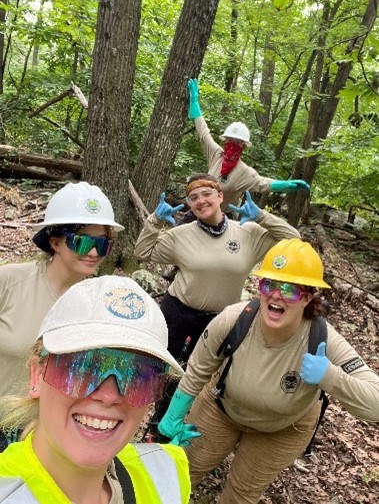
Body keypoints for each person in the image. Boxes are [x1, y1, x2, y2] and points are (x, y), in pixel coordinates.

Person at [158, 238, 379, 503]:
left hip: (283, 428)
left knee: (242, 494)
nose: (276, 294)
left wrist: (330, 377)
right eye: (269, 284)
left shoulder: (322, 339)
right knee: (185, 468)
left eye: (290, 289)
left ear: (308, 297)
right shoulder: (234, 320)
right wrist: (172, 418)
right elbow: (197, 371)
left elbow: (375, 403)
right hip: (222, 408)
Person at [134, 174, 300, 439]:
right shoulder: (181, 235)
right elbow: (142, 252)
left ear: (221, 196)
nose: (201, 201)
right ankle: (158, 430)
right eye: (193, 197)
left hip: (223, 321)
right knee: (172, 373)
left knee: (210, 377)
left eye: (207, 194)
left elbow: (294, 240)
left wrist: (261, 217)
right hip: (180, 315)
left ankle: (197, 428)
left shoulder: (248, 233)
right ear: (189, 205)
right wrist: (154, 221)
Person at [0, 275, 191, 504]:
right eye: (81, 368)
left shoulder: (167, 474)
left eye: (136, 375)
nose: (109, 395)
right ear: (37, 375)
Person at [0, 181, 124, 450]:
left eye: (102, 245)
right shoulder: (9, 283)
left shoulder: (101, 303)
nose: (93, 253)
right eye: (82, 242)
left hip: (50, 435)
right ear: (54, 242)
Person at [187, 78, 309, 214]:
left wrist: (285, 185)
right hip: (200, 213)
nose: (232, 144)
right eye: (230, 139)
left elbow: (262, 183)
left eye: (238, 142)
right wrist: (194, 102)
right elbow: (204, 133)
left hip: (221, 219)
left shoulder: (244, 172)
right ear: (225, 141)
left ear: (243, 147)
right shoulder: (216, 155)